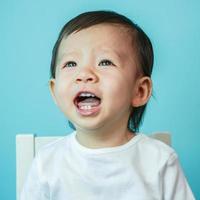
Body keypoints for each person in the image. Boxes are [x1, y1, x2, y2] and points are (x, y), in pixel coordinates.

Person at [20, 10, 195, 200]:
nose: (84, 74)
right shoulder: (46, 164)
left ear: (140, 91)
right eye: (71, 64)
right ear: (54, 91)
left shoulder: (160, 161)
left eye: (105, 62)